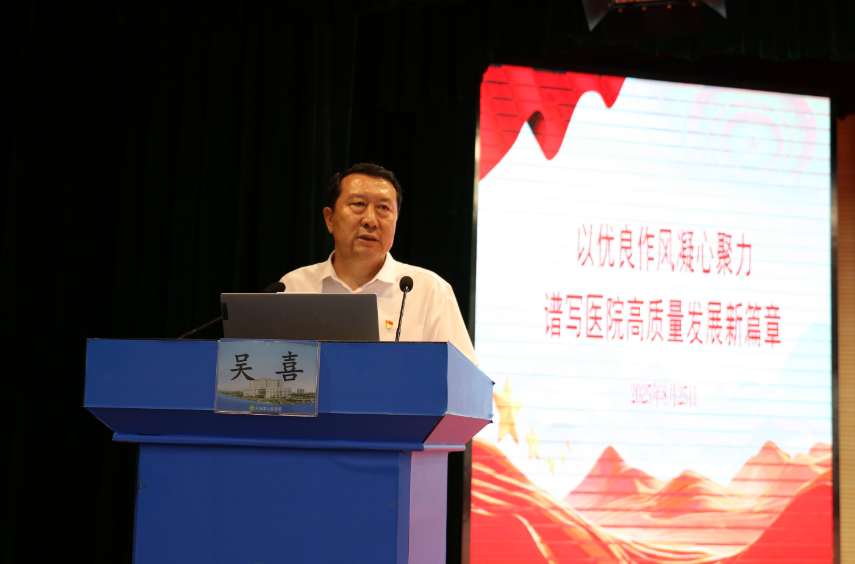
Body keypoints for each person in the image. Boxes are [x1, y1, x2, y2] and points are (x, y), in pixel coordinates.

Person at [279, 163, 478, 364]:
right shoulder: (293, 287)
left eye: (383, 208)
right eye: (358, 204)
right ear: (329, 219)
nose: (370, 220)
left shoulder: (429, 291)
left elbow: (463, 376)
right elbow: (272, 368)